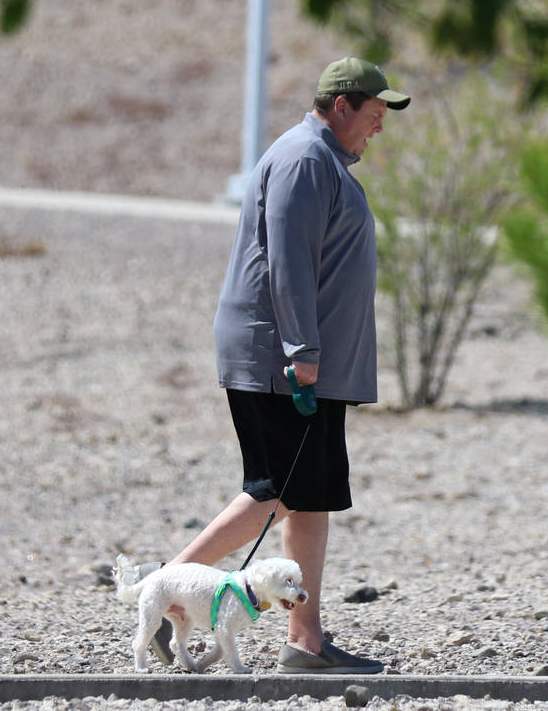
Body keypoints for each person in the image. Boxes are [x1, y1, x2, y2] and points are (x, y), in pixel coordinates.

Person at [142, 56, 409, 674]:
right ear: (341, 105)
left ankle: (305, 642)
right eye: (374, 114)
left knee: (310, 496)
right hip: (280, 359)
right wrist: (302, 352)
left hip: (303, 359)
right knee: (277, 490)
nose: (379, 127)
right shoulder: (303, 161)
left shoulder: (323, 160)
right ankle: (169, 599)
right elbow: (288, 262)